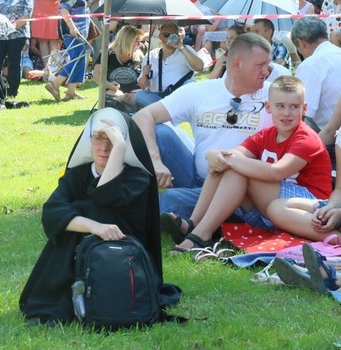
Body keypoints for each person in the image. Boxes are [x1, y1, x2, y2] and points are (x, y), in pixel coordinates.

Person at [19, 107, 161, 324]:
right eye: (98, 138)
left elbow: (105, 197)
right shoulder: (77, 175)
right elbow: (52, 213)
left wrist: (120, 148)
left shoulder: (138, 177)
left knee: (90, 208)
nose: (104, 148)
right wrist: (93, 226)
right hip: (79, 250)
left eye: (112, 140)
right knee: (80, 216)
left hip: (120, 258)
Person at [163, 76, 332, 253]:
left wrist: (226, 158)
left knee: (235, 168)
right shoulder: (267, 134)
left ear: (304, 109)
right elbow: (233, 154)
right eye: (280, 106)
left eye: (294, 107)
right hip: (271, 207)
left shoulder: (306, 137)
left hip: (310, 206)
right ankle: (194, 224)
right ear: (268, 107)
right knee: (224, 165)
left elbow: (277, 172)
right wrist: (214, 155)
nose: (286, 113)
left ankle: (201, 234)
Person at [133, 33, 274, 219]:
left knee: (169, 200)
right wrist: (156, 161)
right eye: (260, 65)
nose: (267, 71)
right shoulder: (201, 91)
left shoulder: (274, 96)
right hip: (198, 178)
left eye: (267, 64)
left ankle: (190, 214)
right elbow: (143, 116)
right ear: (237, 63)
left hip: (244, 188)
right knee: (161, 133)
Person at [45, 0, 92, 102]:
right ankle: (55, 83)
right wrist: (72, 27)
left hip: (77, 31)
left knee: (80, 58)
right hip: (72, 31)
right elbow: (64, 10)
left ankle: (71, 91)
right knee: (77, 58)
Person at [134, 23, 204, 109]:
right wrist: (145, 75)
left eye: (173, 35)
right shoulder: (151, 55)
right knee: (139, 96)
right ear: (160, 37)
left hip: (181, 98)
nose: (170, 38)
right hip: (159, 98)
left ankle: (162, 111)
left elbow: (199, 67)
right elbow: (143, 85)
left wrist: (181, 47)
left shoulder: (186, 50)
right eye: (167, 35)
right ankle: (163, 110)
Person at [291, 16, 341, 133]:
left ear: (301, 42)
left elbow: (300, 115)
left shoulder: (310, 64)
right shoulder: (337, 53)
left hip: (334, 140)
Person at [92, 25, 144, 109]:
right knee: (114, 97)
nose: (139, 44)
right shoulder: (107, 55)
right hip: (113, 92)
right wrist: (110, 86)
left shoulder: (140, 56)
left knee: (141, 98)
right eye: (136, 41)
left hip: (133, 94)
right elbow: (97, 75)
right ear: (127, 41)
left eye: (140, 41)